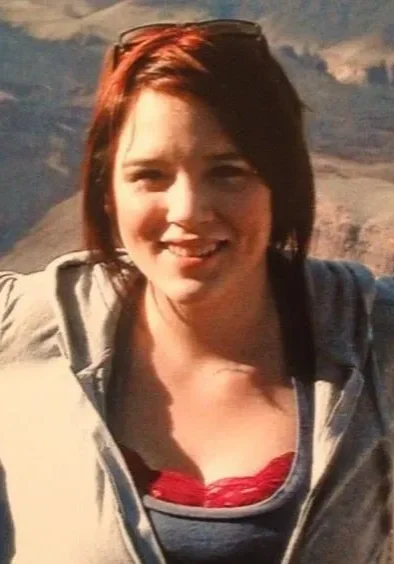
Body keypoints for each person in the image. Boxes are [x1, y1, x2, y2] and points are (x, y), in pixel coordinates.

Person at [0, 19, 393, 564]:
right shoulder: (23, 329)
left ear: (281, 184)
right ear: (106, 191)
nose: (187, 211)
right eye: (150, 175)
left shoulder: (373, 338)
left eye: (227, 172)